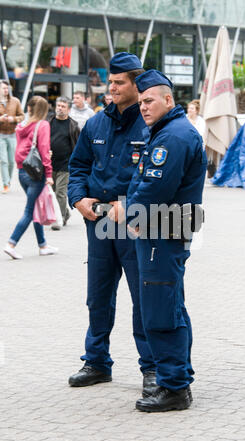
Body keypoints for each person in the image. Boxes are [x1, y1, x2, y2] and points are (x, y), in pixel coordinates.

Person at [109, 70, 207, 412]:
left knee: (161, 310)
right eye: (140, 102)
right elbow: (143, 181)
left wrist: (129, 213)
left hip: (162, 234)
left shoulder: (174, 137)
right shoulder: (165, 132)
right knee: (170, 304)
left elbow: (154, 189)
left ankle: (174, 387)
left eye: (149, 100)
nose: (144, 107)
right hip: (160, 232)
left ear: (169, 99)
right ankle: (177, 378)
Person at [67, 53, 156, 396]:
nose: (112, 87)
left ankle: (150, 368)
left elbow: (154, 177)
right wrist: (77, 198)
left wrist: (129, 204)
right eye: (111, 82)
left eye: (119, 82)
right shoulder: (95, 124)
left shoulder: (150, 124)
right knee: (98, 296)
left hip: (134, 225)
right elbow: (78, 167)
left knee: (142, 297)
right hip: (98, 223)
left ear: (136, 83)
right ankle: (97, 362)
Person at [3, 96, 58, 260]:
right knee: (29, 211)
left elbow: (21, 149)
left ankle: (43, 245)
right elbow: (44, 150)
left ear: (29, 109)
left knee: (35, 209)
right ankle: (11, 244)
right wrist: (49, 174)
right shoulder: (43, 125)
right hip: (36, 173)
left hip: (22, 171)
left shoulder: (21, 126)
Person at [48, 96, 80, 230]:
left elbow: (78, 146)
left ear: (69, 109)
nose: (60, 108)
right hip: (50, 164)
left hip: (65, 165)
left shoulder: (73, 125)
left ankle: (59, 218)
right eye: (58, 106)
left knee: (60, 193)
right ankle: (66, 213)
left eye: (63, 106)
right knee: (54, 192)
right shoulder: (49, 121)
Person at [0, 80, 25, 193]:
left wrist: (13, 119)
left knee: (11, 161)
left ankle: (8, 181)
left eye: (7, 88)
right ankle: (5, 184)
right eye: (3, 88)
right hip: (0, 135)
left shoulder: (15, 101)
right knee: (3, 160)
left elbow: (22, 116)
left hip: (12, 134)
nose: (6, 90)